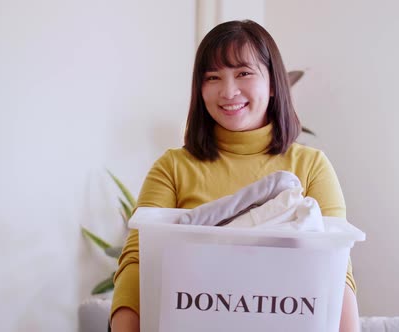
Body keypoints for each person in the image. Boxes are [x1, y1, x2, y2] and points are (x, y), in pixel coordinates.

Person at [110, 19, 360, 332]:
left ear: (272, 83)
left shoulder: (311, 166)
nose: (228, 91)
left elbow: (336, 269)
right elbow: (138, 259)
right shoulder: (173, 167)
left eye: (243, 73)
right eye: (212, 77)